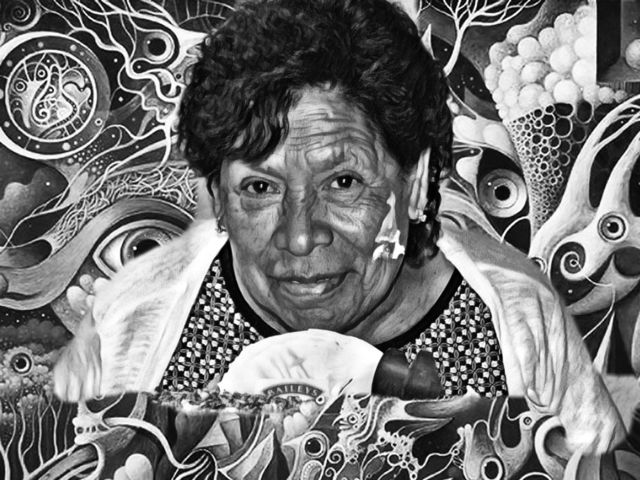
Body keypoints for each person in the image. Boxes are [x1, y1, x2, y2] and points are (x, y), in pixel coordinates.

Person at [55, 0, 623, 454]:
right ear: (218, 199)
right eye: (260, 188)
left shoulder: (515, 320)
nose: (300, 237)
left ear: (415, 182)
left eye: (344, 182)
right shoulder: (138, 323)